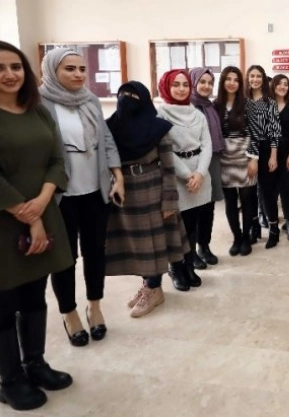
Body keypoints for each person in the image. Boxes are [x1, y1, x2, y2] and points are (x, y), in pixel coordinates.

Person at [0, 40, 74, 411]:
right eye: (0, 68)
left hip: (42, 212)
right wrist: (25, 212)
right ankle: (9, 380)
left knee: (33, 293)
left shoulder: (37, 111)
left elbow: (57, 161)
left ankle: (35, 364)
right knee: (4, 300)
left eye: (15, 66)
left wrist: (42, 204)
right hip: (4, 221)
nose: (9, 74)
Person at [39, 48, 123, 347]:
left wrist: (118, 176)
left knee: (95, 251)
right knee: (65, 258)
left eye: (81, 69)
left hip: (94, 191)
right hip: (60, 196)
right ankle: (69, 313)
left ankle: (95, 306)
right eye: (69, 69)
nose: (78, 74)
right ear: (52, 71)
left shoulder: (90, 100)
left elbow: (106, 139)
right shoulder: (38, 103)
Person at [105, 81, 186, 318]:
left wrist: (169, 200)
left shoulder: (157, 127)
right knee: (137, 245)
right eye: (123, 95)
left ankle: (154, 288)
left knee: (153, 243)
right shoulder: (109, 126)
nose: (127, 100)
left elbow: (169, 166)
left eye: (133, 96)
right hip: (124, 192)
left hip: (152, 189)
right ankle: (147, 285)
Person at [157, 69, 212, 292]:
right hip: (176, 176)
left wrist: (200, 173)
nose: (181, 89)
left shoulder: (197, 114)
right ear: (166, 87)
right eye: (176, 85)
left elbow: (207, 144)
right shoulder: (161, 114)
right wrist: (188, 174)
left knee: (192, 226)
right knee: (175, 228)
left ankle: (189, 266)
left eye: (185, 85)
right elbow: (164, 149)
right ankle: (176, 268)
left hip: (200, 176)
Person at [214, 66, 258, 256]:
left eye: (236, 80)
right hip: (225, 160)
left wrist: (253, 159)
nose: (232, 83)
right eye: (228, 79)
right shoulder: (215, 105)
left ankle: (246, 237)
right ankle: (237, 237)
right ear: (223, 82)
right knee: (230, 202)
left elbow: (256, 133)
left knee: (248, 201)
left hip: (245, 158)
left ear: (240, 83)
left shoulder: (248, 104)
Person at [189, 68, 225, 269]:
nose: (206, 86)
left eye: (210, 83)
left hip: (212, 160)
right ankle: (191, 252)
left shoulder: (210, 107)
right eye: (202, 82)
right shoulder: (188, 106)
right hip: (194, 163)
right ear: (193, 82)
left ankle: (204, 246)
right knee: (194, 207)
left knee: (208, 207)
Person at [246, 65, 282, 248]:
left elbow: (275, 131)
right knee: (249, 191)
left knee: (267, 192)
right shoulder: (243, 101)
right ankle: (255, 229)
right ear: (247, 78)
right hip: (246, 150)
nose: (255, 79)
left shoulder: (270, 102)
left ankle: (274, 230)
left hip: (266, 148)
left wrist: (273, 155)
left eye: (258, 76)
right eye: (252, 76)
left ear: (263, 78)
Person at [271, 74, 289, 241]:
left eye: (286, 84)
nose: (283, 87)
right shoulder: (267, 105)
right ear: (273, 85)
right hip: (269, 153)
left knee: (287, 189)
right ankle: (272, 224)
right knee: (271, 190)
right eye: (279, 83)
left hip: (287, 152)